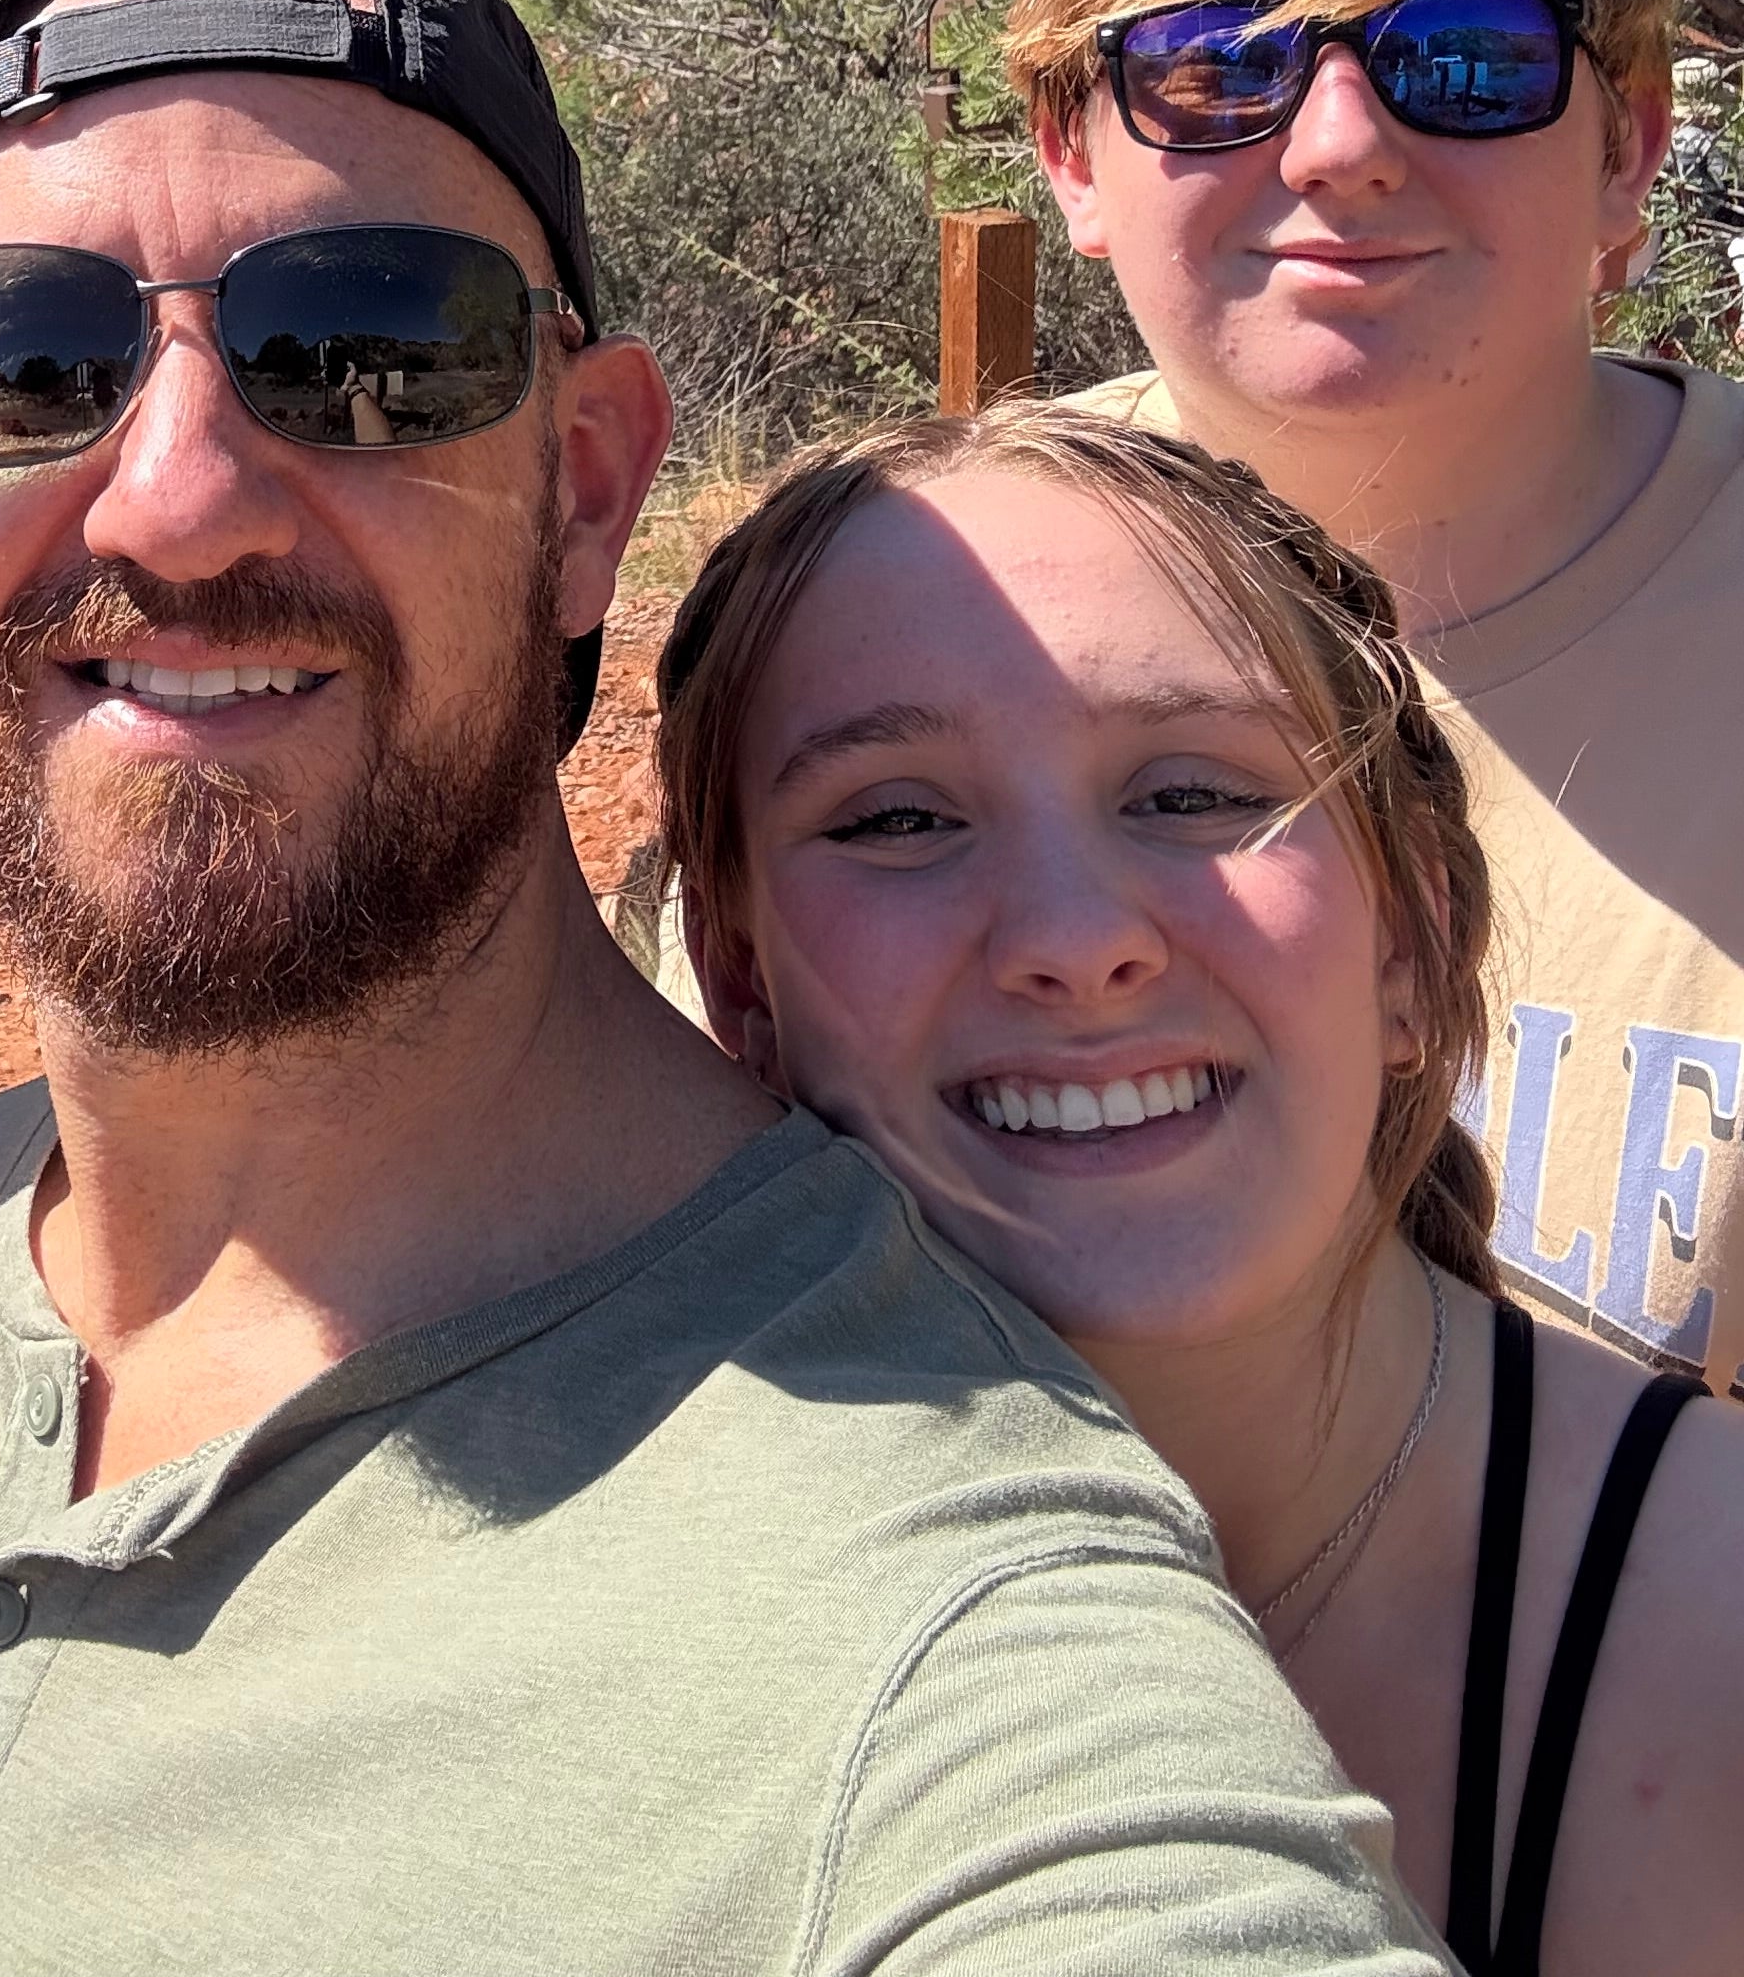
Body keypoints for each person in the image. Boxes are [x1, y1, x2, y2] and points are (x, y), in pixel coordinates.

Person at [0, 0, 1444, 1974]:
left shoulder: (948, 1633)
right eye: (21, 362)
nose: (177, 501)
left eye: (369, 349)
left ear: (594, 486)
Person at [658, 401, 1744, 1973]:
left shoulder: (1706, 1639)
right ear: (740, 984)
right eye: (897, 816)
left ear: (1411, 934)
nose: (1074, 933)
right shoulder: (624, 1600)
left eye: (1193, 794)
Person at [1005, 0, 1744, 1391]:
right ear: (1073, 154)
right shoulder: (913, 616)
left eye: (1469, 55)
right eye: (1215, 63)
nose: (1340, 142)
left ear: (1627, 146)